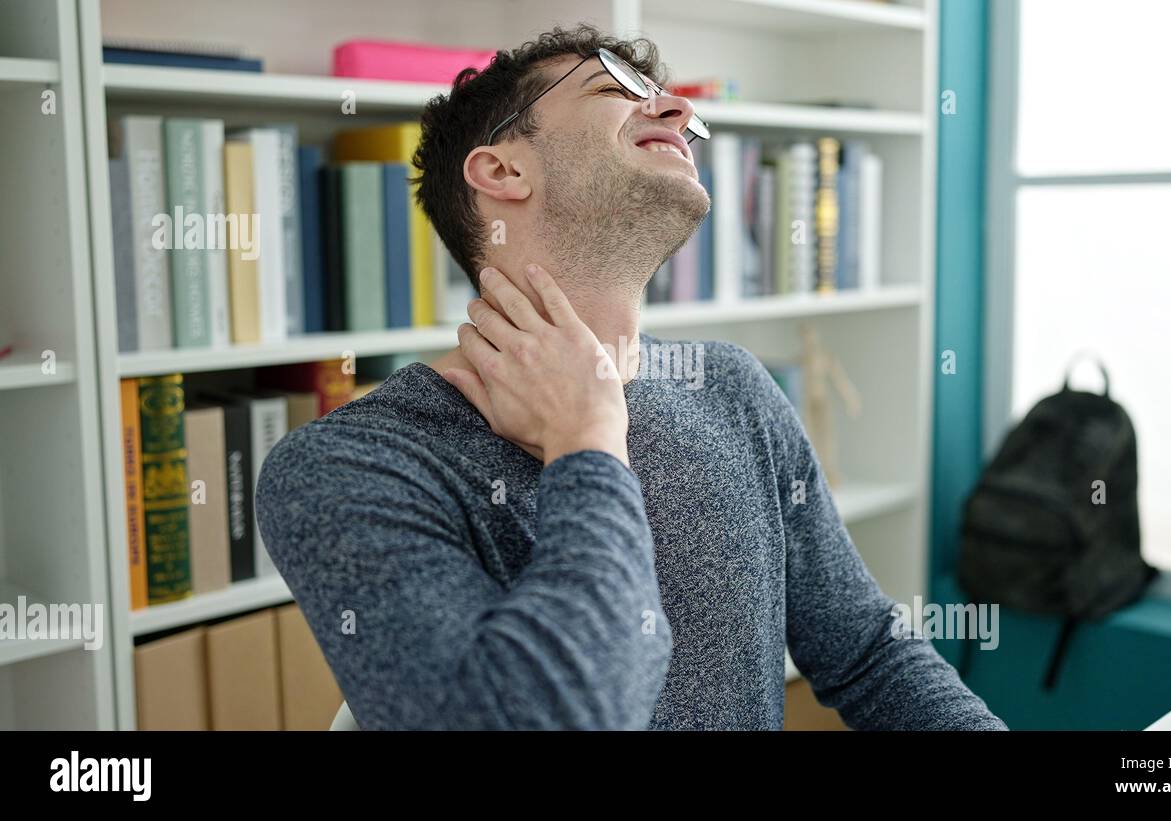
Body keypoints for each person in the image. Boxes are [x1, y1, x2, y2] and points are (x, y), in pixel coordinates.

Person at [255, 24, 1007, 731]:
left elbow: (868, 652)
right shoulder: (345, 465)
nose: (680, 110)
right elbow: (549, 713)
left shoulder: (733, 389)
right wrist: (586, 438)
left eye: (676, 103)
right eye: (616, 85)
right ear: (501, 168)